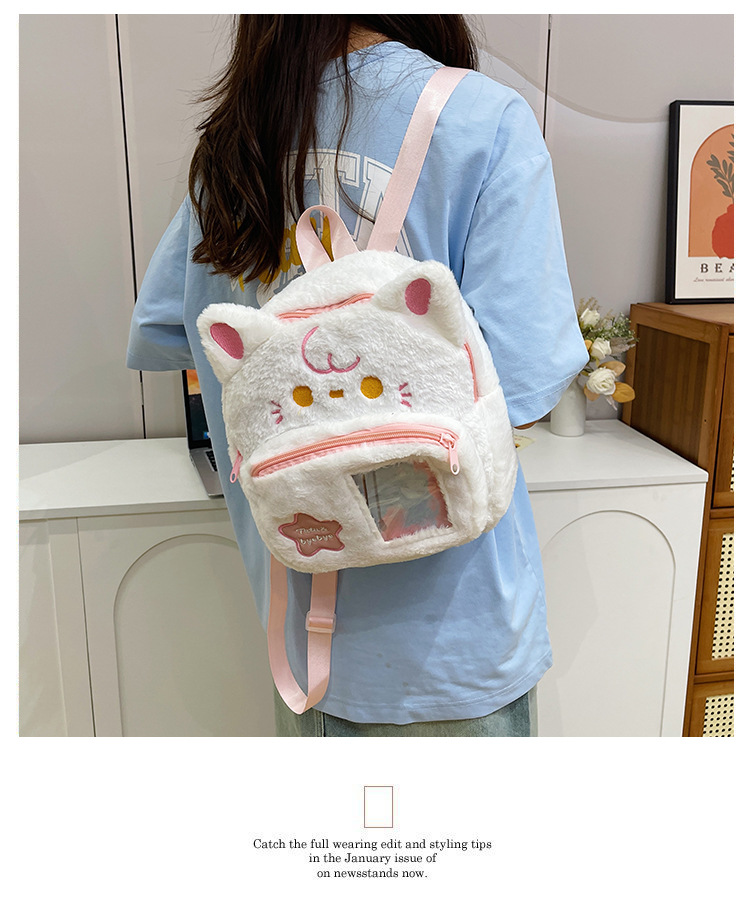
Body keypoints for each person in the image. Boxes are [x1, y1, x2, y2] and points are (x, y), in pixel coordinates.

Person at [127, 15, 589, 737]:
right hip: (454, 642)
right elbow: (524, 388)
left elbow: (167, 331)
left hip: (299, 632)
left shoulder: (235, 143)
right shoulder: (484, 120)